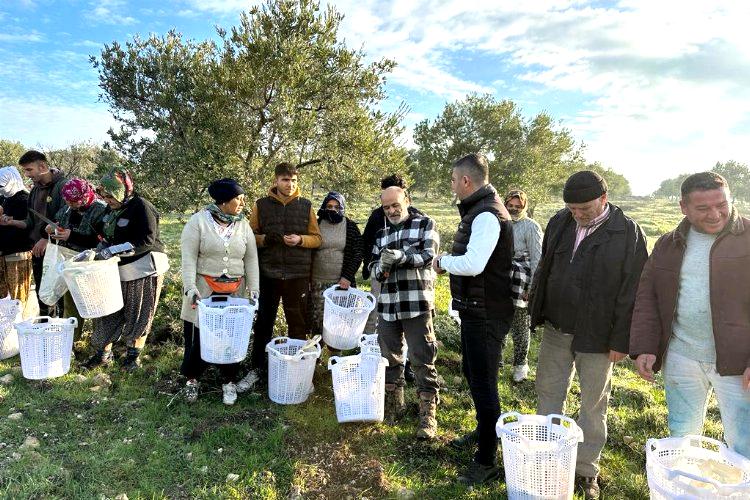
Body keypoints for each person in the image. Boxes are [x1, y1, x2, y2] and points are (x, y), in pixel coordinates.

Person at [529, 170, 648, 499]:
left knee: (593, 405)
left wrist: (620, 340)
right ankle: (548, 458)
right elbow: (546, 267)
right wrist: (537, 309)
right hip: (556, 327)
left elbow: (631, 291)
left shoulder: (627, 233)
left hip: (598, 336)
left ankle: (585, 470)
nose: (577, 214)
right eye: (572, 208)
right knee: (548, 393)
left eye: (584, 208)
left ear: (604, 199)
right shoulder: (559, 222)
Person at [630, 172, 750, 459]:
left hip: (739, 363)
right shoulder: (669, 244)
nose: (715, 214)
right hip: (682, 356)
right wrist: (645, 346)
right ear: (683, 207)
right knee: (682, 437)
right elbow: (648, 296)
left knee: (744, 443)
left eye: (721, 204)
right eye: (703, 208)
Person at [433, 153, 515, 485]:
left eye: (453, 180)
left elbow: (474, 263)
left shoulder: (487, 215)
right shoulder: (480, 210)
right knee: (472, 371)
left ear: (466, 181)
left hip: (487, 312)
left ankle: (485, 459)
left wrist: (442, 261)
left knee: (483, 381)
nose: (452, 186)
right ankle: (484, 432)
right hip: (475, 308)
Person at [236, 162, 322, 392]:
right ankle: (258, 369)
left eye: (293, 180)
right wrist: (265, 240)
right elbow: (249, 235)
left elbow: (317, 238)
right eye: (285, 180)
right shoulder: (261, 205)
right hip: (269, 273)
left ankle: (300, 371)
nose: (290, 184)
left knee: (298, 324)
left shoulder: (306, 206)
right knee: (264, 323)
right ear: (276, 181)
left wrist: (300, 240)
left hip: (297, 275)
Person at [180, 178, 260, 405]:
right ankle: (192, 380)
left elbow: (251, 259)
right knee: (198, 336)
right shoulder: (198, 222)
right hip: (204, 290)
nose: (243, 202)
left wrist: (254, 290)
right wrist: (190, 288)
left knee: (231, 336)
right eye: (238, 198)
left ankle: (229, 380)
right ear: (224, 201)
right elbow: (188, 259)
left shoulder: (242, 224)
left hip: (235, 291)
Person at [370, 185, 439, 439]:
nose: (391, 211)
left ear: (407, 200)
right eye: (386, 207)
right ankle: (393, 405)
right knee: (389, 357)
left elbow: (429, 256)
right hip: (388, 303)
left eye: (395, 205)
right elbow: (373, 263)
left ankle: (427, 414)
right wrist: (380, 269)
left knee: (422, 357)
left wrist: (401, 256)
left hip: (416, 302)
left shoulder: (425, 224)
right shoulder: (381, 234)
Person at [83, 167, 169, 371]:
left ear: (123, 190)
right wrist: (100, 247)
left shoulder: (141, 207)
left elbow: (146, 240)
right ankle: (103, 354)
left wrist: (115, 249)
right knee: (107, 310)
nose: (107, 200)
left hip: (143, 268)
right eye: (104, 196)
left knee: (137, 311)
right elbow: (103, 233)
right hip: (114, 268)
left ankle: (132, 357)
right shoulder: (110, 210)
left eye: (111, 196)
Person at [1, 151, 67, 316]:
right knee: (42, 295)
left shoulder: (64, 187)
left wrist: (46, 239)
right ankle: (46, 333)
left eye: (29, 170)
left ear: (43, 166)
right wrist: (11, 222)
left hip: (60, 252)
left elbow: (65, 218)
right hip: (39, 253)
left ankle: (65, 334)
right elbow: (30, 223)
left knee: (61, 297)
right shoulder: (35, 192)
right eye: (24, 171)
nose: (27, 175)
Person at [46, 178, 108, 341]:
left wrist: (71, 236)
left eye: (74, 201)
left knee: (95, 304)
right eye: (67, 201)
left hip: (92, 265)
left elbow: (102, 240)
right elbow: (57, 222)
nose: (70, 204)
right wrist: (51, 229)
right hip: (70, 264)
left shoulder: (101, 210)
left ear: (85, 196)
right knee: (71, 304)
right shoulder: (67, 209)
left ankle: (100, 344)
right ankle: (70, 341)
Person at [310, 191, 362, 342]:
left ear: (342, 208)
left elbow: (358, 252)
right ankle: (315, 356)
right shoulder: (316, 224)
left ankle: (335, 358)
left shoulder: (350, 226)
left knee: (338, 322)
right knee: (317, 321)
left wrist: (347, 276)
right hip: (316, 282)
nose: (332, 209)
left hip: (340, 284)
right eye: (329, 206)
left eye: (336, 207)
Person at [502, 189, 543, 382]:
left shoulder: (531, 227)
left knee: (519, 326)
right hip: (500, 279)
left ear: (524, 206)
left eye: (518, 206)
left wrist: (531, 288)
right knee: (498, 323)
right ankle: (496, 361)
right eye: (510, 205)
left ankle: (520, 365)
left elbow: (537, 259)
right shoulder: (499, 222)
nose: (513, 209)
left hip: (521, 281)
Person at [0, 166, 33, 311]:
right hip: (4, 252)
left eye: (2, 185)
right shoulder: (5, 199)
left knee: (17, 298)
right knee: (4, 299)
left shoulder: (24, 199)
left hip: (18, 253)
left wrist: (10, 222)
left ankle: (19, 327)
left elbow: (29, 226)